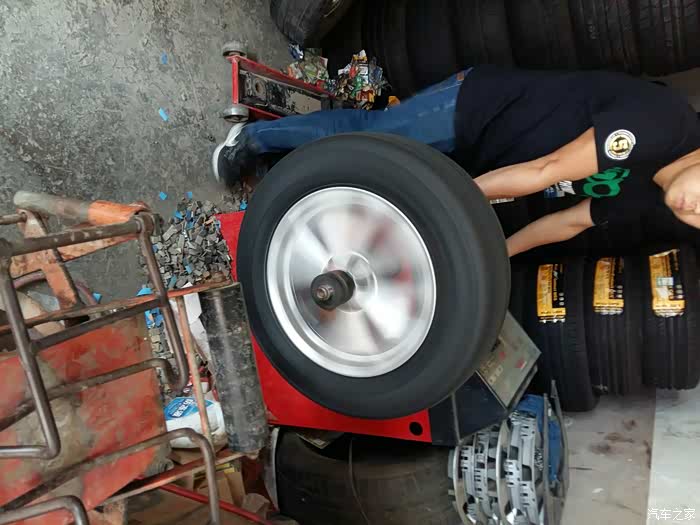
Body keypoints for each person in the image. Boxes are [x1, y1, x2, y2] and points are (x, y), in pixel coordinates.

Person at [212, 66, 700, 256]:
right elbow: (547, 171)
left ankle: (284, 166)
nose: (696, 212)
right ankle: (250, 140)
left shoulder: (652, 196)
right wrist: (452, 200)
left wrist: (497, 256)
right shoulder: (665, 125)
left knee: (382, 171)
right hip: (479, 108)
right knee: (371, 136)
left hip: (487, 154)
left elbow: (569, 223)